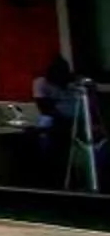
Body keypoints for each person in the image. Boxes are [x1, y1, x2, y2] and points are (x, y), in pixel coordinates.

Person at [34, 56, 84, 187]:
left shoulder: (74, 84)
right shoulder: (42, 83)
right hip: (55, 122)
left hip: (77, 120)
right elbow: (44, 107)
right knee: (46, 129)